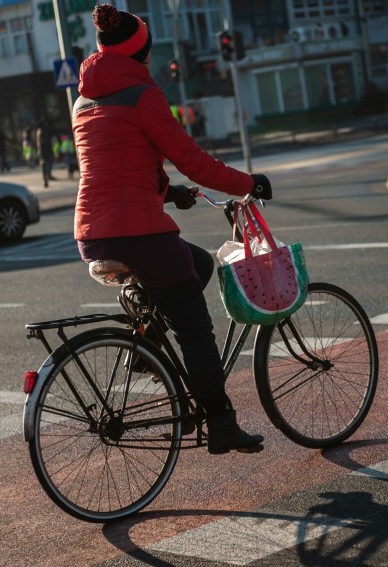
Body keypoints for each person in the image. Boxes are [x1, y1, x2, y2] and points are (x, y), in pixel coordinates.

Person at [73, 4, 272, 455]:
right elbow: (193, 159)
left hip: (92, 232)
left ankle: (146, 335)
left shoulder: (84, 99)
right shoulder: (143, 95)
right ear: (142, 54)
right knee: (196, 329)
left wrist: (166, 192)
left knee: (197, 264)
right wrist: (249, 183)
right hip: (137, 233)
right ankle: (221, 424)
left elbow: (113, 166)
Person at [35, 120, 56, 187]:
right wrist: (47, 151)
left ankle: (47, 178)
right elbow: (43, 143)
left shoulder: (39, 131)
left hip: (42, 151)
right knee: (45, 165)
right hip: (44, 152)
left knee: (45, 165)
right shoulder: (42, 131)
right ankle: (46, 179)